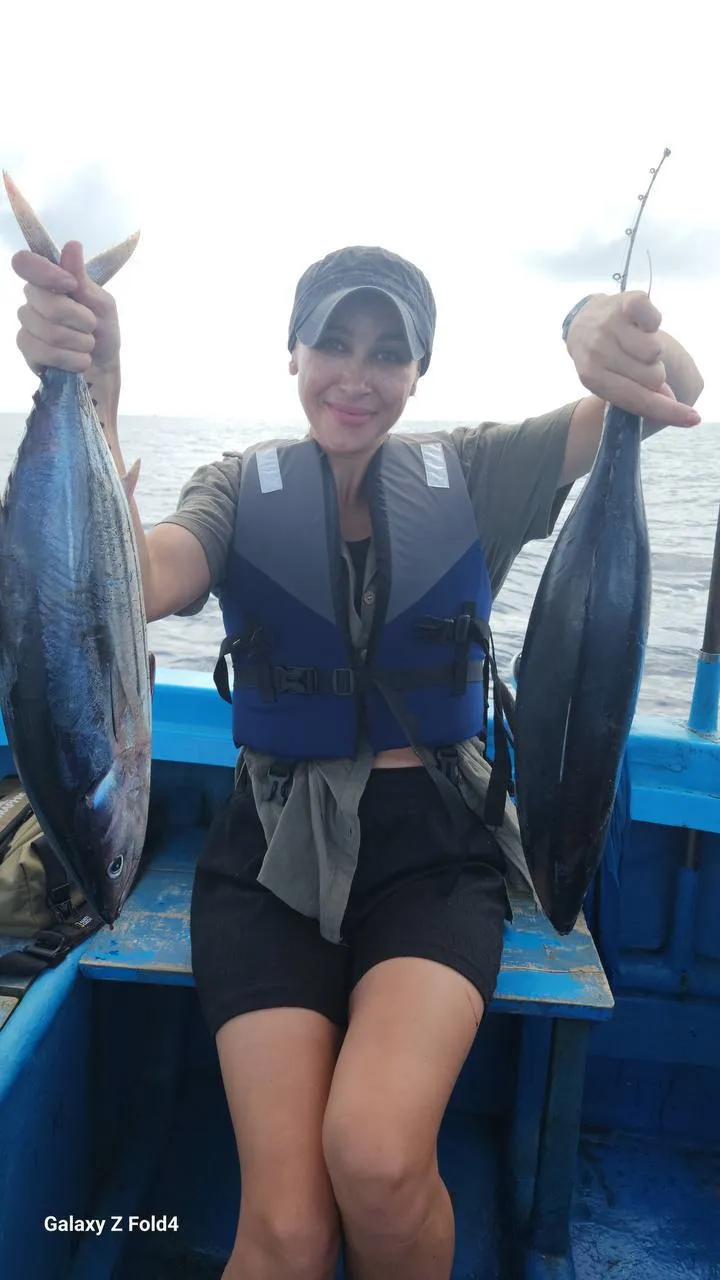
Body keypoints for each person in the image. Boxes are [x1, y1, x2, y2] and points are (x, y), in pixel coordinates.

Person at [12, 238, 703, 1280]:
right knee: (287, 1232)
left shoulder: (478, 470)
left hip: (435, 859)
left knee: (377, 1159)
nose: (356, 374)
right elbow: (134, 582)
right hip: (268, 861)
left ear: (419, 372)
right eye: (332, 342)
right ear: (291, 353)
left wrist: (599, 331)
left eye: (388, 352)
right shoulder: (236, 487)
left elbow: (670, 389)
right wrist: (96, 384)